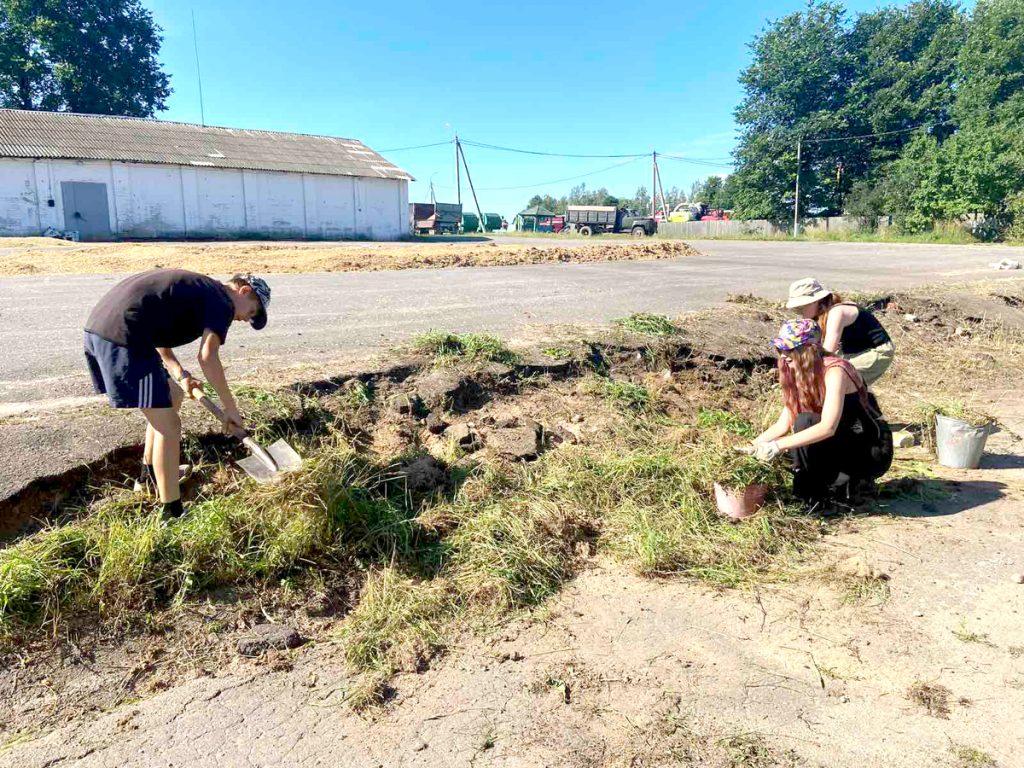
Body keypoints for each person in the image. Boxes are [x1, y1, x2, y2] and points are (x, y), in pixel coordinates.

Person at [83, 269, 271, 518]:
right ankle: (172, 512)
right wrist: (230, 408)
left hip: (104, 331)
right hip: (122, 339)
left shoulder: (202, 291)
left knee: (172, 395)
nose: (246, 319)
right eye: (252, 311)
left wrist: (180, 375)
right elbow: (207, 357)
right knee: (169, 425)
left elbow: (157, 327)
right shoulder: (223, 301)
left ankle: (150, 477)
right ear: (244, 291)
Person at [750, 319, 893, 509]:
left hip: (869, 448)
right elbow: (783, 424)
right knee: (794, 442)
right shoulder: (799, 371)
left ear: (809, 349)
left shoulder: (835, 371)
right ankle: (823, 484)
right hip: (841, 442)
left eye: (790, 349)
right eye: (780, 349)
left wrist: (776, 446)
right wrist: (752, 446)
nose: (784, 355)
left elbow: (827, 427)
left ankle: (817, 494)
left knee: (805, 422)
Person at [785, 277, 894, 385]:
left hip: (877, 352)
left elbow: (827, 352)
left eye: (801, 307)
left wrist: (803, 368)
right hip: (853, 350)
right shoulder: (823, 314)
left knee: (833, 377)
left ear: (815, 301)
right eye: (796, 309)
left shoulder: (836, 313)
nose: (799, 312)